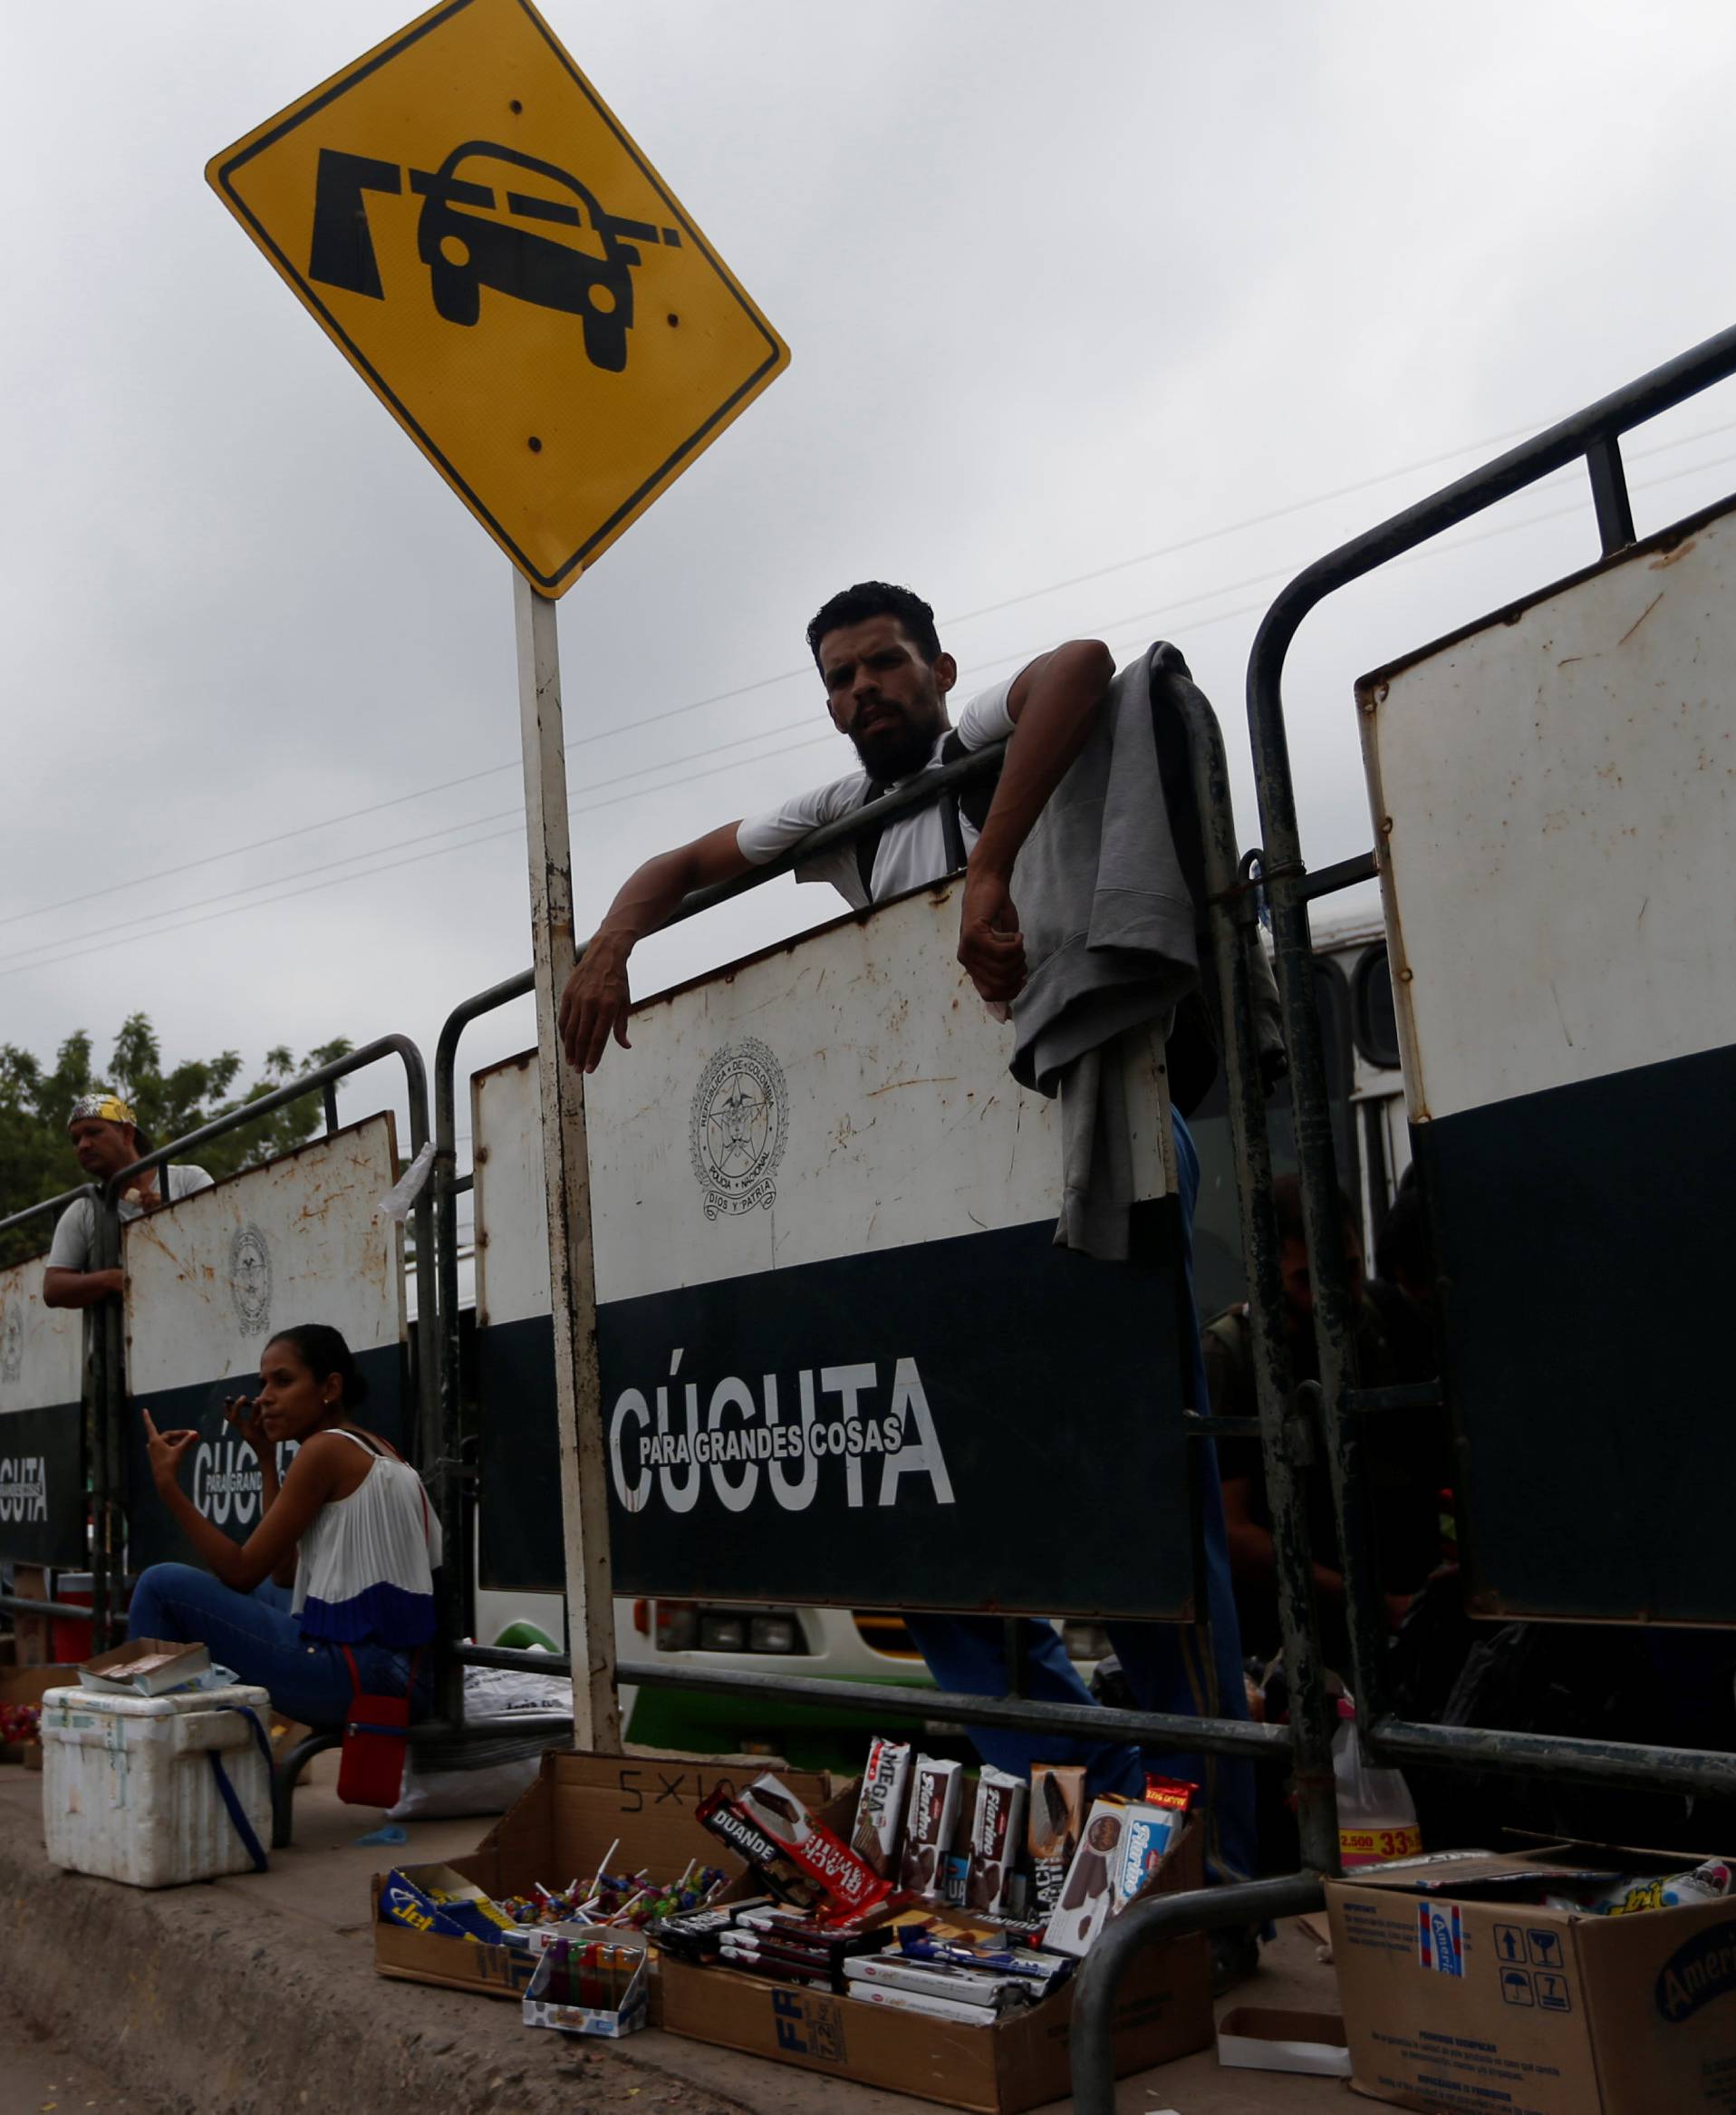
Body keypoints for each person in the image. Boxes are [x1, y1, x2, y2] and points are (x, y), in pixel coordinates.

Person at [560, 580, 1258, 1896]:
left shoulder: (977, 740)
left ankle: (1213, 1840)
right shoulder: (845, 815)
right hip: (942, 1205)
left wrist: (988, 864)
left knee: (1144, 1514)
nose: (861, 691)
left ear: (936, 667)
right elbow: (682, 866)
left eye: (882, 664)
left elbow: (1085, 661)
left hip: (1088, 1143)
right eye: (837, 678)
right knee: (928, 1527)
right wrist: (611, 946)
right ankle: (1083, 1819)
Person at [128, 1323, 438, 1726]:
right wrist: (266, 1459)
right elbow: (283, 1574)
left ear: (330, 1387)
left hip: (365, 1675)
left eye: (283, 1381)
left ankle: (151, 1741)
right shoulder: (370, 1445)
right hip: (398, 1671)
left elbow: (241, 1571)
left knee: (160, 1585)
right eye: (263, 1384)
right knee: (256, 1589)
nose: (265, 1398)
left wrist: (169, 1487)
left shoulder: (323, 1450)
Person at [1208, 1174, 1443, 1676]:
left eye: (1349, 1269)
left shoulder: (1389, 1321)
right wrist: (1370, 1601)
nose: (1335, 1295)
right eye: (1307, 1278)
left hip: (1409, 1626)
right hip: (1293, 1645)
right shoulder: (1233, 1358)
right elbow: (1234, 1530)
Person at [42, 1092, 213, 1309]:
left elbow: (222, 1237)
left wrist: (173, 1215)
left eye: (93, 1132)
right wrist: (113, 1279)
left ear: (127, 1134)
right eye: (76, 1140)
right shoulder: (84, 1209)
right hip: (125, 1340)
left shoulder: (188, 1180)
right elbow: (53, 1288)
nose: (83, 1145)